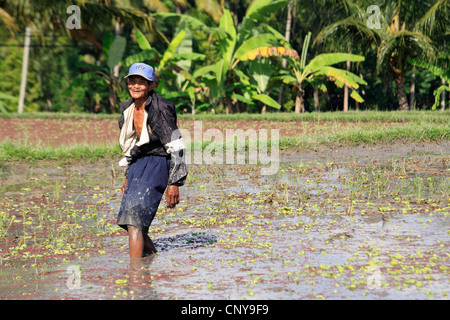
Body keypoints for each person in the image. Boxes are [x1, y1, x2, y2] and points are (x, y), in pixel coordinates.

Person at [117, 62, 187, 260]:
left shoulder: (161, 109)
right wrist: (128, 177)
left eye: (142, 82)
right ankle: (150, 258)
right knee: (128, 221)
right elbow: (132, 146)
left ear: (151, 85)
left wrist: (174, 183)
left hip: (158, 160)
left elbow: (177, 146)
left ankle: (135, 274)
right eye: (132, 81)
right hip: (138, 163)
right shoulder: (127, 110)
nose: (136, 86)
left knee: (134, 221)